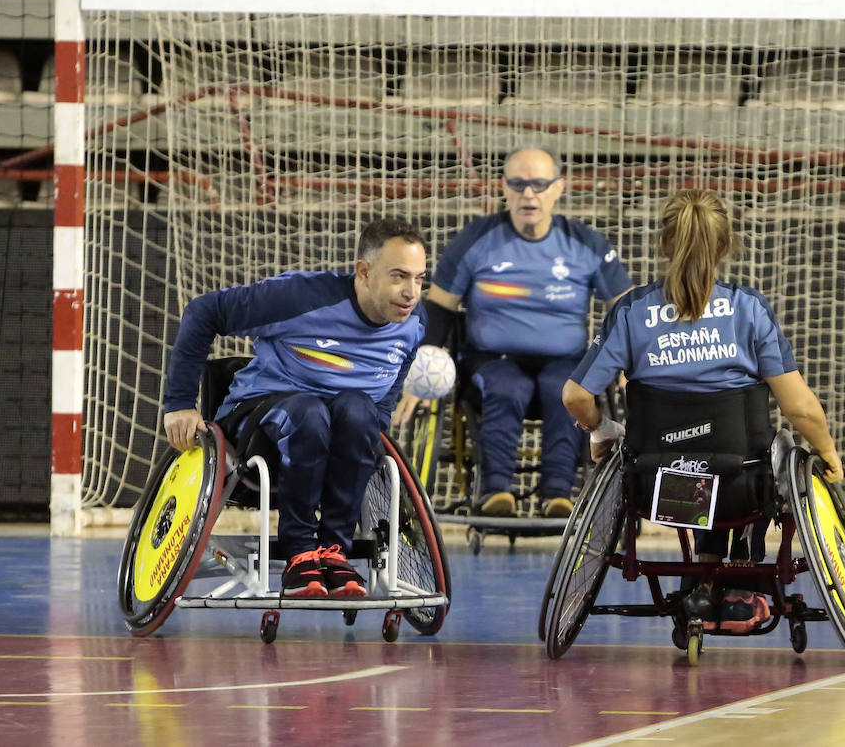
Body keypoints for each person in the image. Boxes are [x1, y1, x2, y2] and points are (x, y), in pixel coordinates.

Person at [562, 189, 843, 568]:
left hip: (657, 484)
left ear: (664, 244)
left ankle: (707, 560)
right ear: (726, 245)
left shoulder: (631, 312)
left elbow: (575, 396)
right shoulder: (749, 309)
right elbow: (801, 410)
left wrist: (602, 430)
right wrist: (826, 450)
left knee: (694, 455)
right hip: (742, 487)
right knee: (765, 448)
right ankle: (742, 560)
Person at [162, 219, 428, 599]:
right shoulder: (300, 298)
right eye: (400, 276)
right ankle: (300, 549)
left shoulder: (415, 323)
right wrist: (179, 404)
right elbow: (204, 312)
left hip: (336, 438)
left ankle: (335, 551)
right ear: (364, 272)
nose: (411, 292)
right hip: (258, 426)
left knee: (359, 410)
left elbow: (389, 388)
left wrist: (375, 432)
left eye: (420, 279)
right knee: (309, 412)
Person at [393, 147, 632, 519]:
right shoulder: (477, 239)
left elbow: (627, 308)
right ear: (504, 187)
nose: (528, 194)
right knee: (509, 387)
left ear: (559, 188)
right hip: (491, 362)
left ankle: (558, 495)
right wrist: (417, 368)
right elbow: (439, 309)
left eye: (539, 184)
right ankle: (496, 493)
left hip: (565, 362)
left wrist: (626, 358)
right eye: (518, 184)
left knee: (565, 389)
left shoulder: (586, 244)